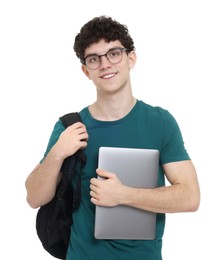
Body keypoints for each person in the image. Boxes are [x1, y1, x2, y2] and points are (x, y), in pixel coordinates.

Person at [25, 16, 200, 260]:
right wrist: (57, 153)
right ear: (86, 71)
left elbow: (190, 197)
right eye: (94, 59)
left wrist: (123, 195)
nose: (105, 64)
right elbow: (33, 197)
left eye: (114, 53)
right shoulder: (70, 127)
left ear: (131, 58)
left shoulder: (160, 122)